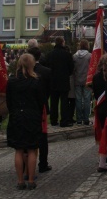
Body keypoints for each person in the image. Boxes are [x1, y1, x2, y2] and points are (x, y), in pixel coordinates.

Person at [6, 53, 45, 190]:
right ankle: (31, 179)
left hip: (17, 115)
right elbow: (41, 101)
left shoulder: (11, 81)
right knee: (32, 149)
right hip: (32, 115)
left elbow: (8, 101)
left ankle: (20, 180)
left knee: (18, 149)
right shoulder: (36, 81)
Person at [27, 45, 53, 173]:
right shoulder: (46, 71)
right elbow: (49, 90)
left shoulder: (23, 71)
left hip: (27, 106)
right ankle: (43, 163)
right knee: (43, 136)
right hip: (41, 106)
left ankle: (27, 164)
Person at [92, 53, 107, 172]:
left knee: (103, 135)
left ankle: (103, 159)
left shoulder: (95, 77)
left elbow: (96, 95)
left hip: (101, 108)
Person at [47, 37, 74, 127]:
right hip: (64, 80)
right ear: (62, 42)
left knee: (54, 102)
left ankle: (53, 120)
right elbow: (71, 68)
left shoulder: (50, 54)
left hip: (53, 81)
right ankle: (64, 120)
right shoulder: (67, 55)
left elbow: (47, 67)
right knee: (64, 102)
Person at [73, 39, 92, 125]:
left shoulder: (74, 56)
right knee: (87, 99)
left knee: (78, 100)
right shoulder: (89, 56)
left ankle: (79, 119)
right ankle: (86, 118)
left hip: (77, 79)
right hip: (86, 80)